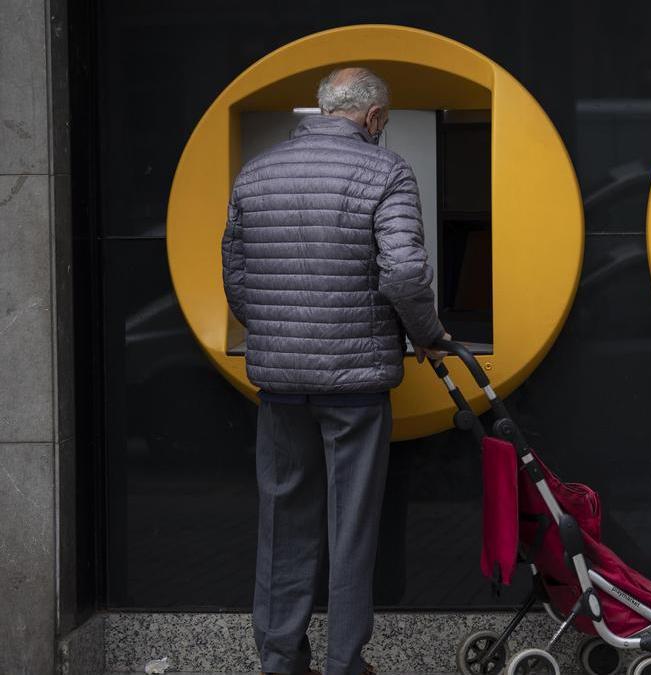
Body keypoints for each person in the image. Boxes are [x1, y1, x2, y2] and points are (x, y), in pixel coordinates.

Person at [221, 66, 449, 675]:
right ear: (374, 118)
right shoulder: (386, 170)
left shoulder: (257, 171)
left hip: (280, 383)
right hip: (355, 384)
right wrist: (426, 335)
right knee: (351, 526)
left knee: (282, 521)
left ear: (322, 110)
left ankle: (280, 660)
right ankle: (345, 662)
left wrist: (279, 333)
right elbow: (403, 274)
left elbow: (236, 280)